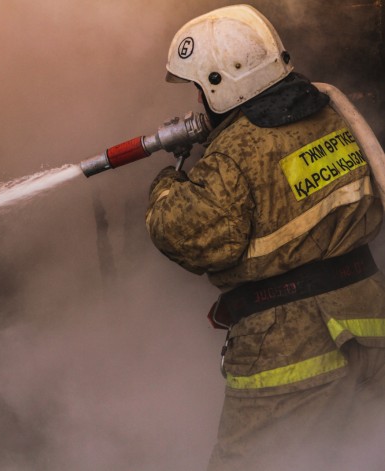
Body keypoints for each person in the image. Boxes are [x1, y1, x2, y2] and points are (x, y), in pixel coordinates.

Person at [146, 4, 385, 470]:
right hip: (371, 322)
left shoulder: (236, 153)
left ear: (220, 83)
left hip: (291, 347)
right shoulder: (331, 114)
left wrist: (167, 183)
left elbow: (181, 231)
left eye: (200, 88)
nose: (198, 100)